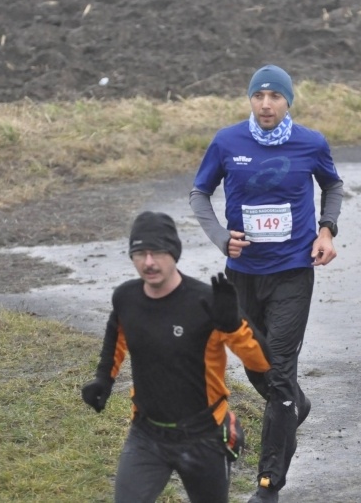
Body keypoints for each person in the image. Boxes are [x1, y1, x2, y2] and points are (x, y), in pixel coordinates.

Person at [188, 64, 344, 503]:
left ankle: (268, 484)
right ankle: (298, 404)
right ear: (250, 100)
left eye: (275, 96)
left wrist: (327, 229)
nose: (266, 103)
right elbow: (199, 194)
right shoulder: (227, 141)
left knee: (278, 373)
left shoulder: (311, 143)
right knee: (259, 367)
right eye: (259, 96)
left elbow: (332, 185)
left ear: (288, 101)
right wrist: (221, 238)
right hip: (243, 278)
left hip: (293, 272)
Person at [81, 211, 271, 503]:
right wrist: (103, 379)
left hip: (204, 435)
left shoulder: (207, 302)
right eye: (139, 253)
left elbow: (261, 362)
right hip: (147, 434)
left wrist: (233, 326)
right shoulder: (126, 298)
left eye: (157, 252)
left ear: (174, 253)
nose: (148, 262)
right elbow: (116, 335)